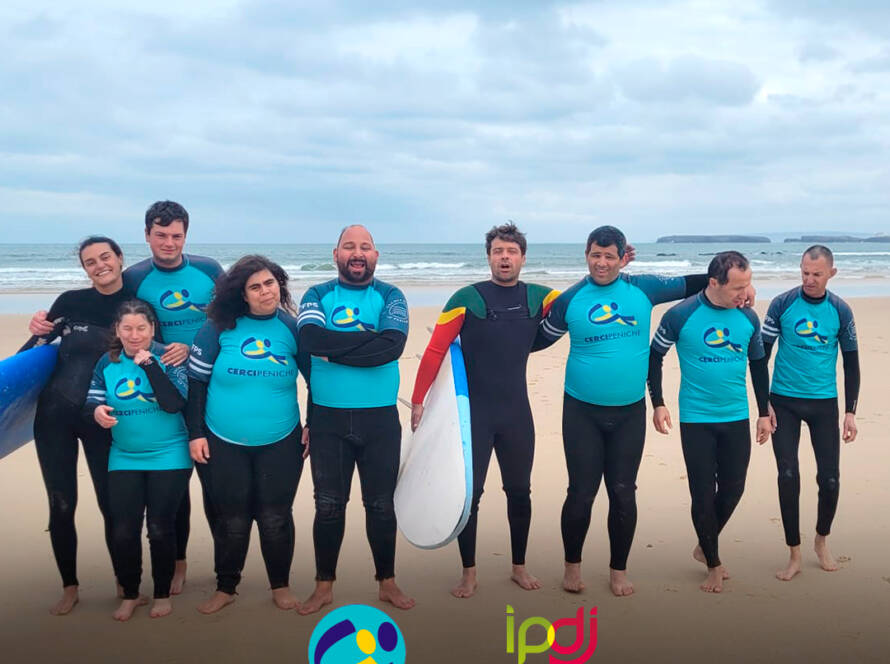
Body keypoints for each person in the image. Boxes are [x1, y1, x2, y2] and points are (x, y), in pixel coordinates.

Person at [534, 226, 750, 597]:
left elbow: (695, 281)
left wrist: (740, 290)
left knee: (622, 493)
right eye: (595, 255)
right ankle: (573, 566)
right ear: (586, 254)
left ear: (622, 257)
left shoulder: (645, 288)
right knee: (581, 493)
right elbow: (535, 340)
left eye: (609, 256)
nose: (601, 263)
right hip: (581, 411)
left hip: (629, 414)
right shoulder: (571, 300)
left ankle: (618, 570)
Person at [29, 201, 223, 593]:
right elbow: (40, 349)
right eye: (90, 261)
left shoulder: (183, 279)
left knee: (187, 489)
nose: (169, 242)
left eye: (176, 235)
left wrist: (187, 351)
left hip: (158, 398)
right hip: (93, 406)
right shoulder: (101, 290)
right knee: (72, 503)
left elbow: (214, 319)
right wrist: (39, 327)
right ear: (146, 236)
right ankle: (90, 583)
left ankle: (166, 578)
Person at [411, 222, 559, 598]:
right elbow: (435, 351)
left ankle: (519, 567)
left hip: (516, 415)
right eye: (498, 251)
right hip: (474, 416)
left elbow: (587, 304)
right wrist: (418, 400)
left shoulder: (542, 297)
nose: (504, 257)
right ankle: (469, 572)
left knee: (520, 491)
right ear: (488, 256)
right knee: (469, 496)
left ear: (523, 257)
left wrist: (617, 270)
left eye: (511, 251)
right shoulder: (467, 297)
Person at [296, 225, 413, 615]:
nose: (357, 253)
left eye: (365, 247)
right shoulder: (316, 294)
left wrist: (335, 351)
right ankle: (323, 586)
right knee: (328, 506)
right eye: (349, 246)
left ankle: (387, 582)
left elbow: (392, 347)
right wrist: (367, 343)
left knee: (381, 506)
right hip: (328, 420)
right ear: (336, 254)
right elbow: (311, 340)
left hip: (379, 420)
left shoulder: (391, 296)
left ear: (376, 255)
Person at [186, 255, 308, 613]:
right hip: (223, 440)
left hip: (281, 440)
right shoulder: (216, 328)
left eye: (269, 283)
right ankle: (226, 587)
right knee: (232, 518)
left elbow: (317, 381)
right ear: (242, 294)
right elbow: (196, 384)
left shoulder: (291, 328)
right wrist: (196, 434)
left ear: (279, 285)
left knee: (275, 517)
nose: (264, 291)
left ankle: (280, 586)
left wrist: (313, 422)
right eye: (255, 286)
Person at [648, 251, 772, 593]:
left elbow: (758, 366)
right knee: (702, 494)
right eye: (738, 287)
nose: (744, 293)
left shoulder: (747, 318)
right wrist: (658, 403)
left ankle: (704, 545)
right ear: (713, 283)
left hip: (736, 415)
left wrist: (764, 412)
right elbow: (654, 356)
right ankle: (714, 563)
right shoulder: (681, 315)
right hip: (696, 418)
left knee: (734, 489)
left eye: (748, 285)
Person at [29, 236, 133, 615]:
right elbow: (33, 353)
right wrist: (39, 328)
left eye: (105, 257)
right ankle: (70, 586)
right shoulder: (69, 303)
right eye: (90, 261)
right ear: (85, 268)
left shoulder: (135, 304)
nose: (99, 265)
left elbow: (150, 355)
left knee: (113, 503)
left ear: (120, 259)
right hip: (54, 415)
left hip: (103, 419)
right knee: (61, 503)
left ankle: (124, 577)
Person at [85, 300, 191, 621]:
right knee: (123, 530)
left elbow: (174, 403)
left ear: (152, 329)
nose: (134, 336)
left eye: (141, 328)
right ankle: (131, 593)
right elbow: (94, 396)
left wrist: (150, 366)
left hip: (169, 453)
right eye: (127, 329)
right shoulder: (108, 361)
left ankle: (161, 594)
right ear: (117, 330)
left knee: (159, 528)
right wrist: (96, 411)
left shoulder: (169, 355)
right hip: (125, 455)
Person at [761, 245, 859, 581]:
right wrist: (764, 405)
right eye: (804, 272)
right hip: (784, 401)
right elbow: (761, 356)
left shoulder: (840, 311)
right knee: (788, 476)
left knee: (829, 479)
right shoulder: (783, 304)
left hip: (823, 404)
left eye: (816, 274)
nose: (809, 279)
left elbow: (852, 363)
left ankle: (821, 540)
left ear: (832, 273)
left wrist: (850, 411)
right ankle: (794, 553)